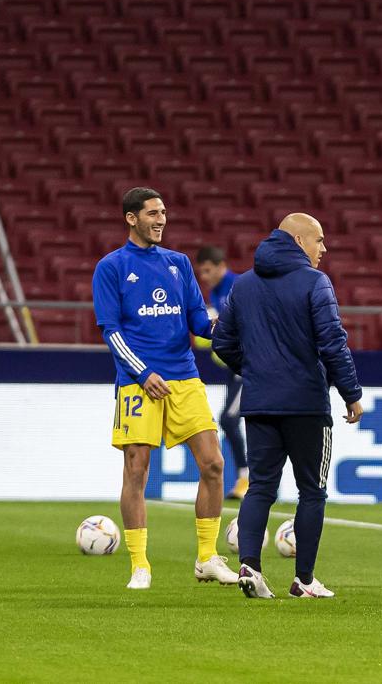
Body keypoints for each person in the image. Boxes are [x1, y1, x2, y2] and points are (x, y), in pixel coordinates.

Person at [91, 187, 237, 590]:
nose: (160, 219)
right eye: (152, 213)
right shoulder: (111, 267)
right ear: (131, 218)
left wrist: (228, 331)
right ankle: (140, 565)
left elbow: (199, 321)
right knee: (136, 468)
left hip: (184, 377)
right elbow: (111, 330)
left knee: (213, 464)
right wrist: (142, 373)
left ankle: (207, 557)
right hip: (138, 383)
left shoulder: (179, 263)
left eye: (164, 213)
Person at [212, 213, 364, 599]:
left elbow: (222, 343)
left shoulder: (244, 285)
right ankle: (305, 580)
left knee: (260, 487)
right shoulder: (315, 283)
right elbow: (333, 342)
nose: (324, 249)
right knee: (312, 490)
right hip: (306, 405)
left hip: (259, 402)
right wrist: (350, 392)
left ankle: (250, 567)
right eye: (319, 240)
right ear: (299, 240)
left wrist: (255, 371)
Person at [194, 245, 248, 500]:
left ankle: (248, 477)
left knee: (228, 419)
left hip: (251, 365)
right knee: (231, 420)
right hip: (236, 365)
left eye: (206, 271)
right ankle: (248, 478)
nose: (203, 277)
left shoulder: (239, 286)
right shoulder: (216, 293)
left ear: (220, 265)